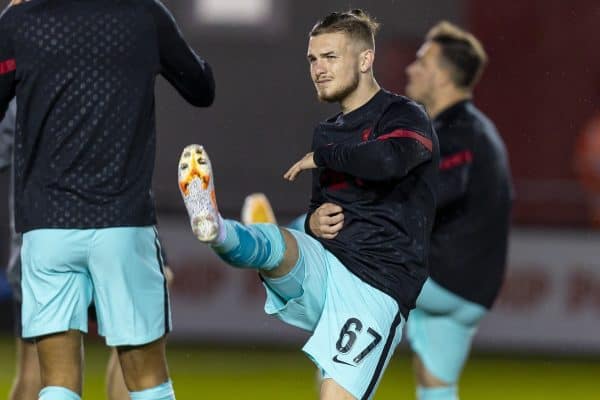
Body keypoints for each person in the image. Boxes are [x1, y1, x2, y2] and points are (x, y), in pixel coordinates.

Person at [179, 9, 439, 399]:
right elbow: (324, 204)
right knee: (278, 246)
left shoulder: (404, 114)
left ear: (365, 60)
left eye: (330, 57)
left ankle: (242, 229)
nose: (318, 68)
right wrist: (315, 221)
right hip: (328, 267)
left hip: (376, 289)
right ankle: (214, 226)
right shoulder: (327, 132)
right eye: (313, 59)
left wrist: (323, 157)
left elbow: (391, 160)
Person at [0, 0, 214, 398]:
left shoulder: (19, 21)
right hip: (122, 224)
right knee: (147, 379)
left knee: (56, 381)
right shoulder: (144, 14)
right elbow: (201, 88)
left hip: (47, 230)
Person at [404, 21, 513, 400]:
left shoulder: (459, 131)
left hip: (445, 278)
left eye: (422, 61)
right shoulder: (473, 128)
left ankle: (266, 244)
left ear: (444, 76)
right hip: (471, 288)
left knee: (327, 241)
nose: (410, 68)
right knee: (435, 384)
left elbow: (438, 191)